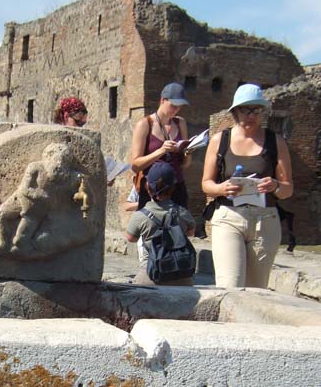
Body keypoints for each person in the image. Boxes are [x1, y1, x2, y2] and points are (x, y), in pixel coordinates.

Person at [201, 83, 293, 288]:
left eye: (256, 110)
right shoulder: (220, 140)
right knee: (229, 285)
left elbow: (287, 190)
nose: (251, 115)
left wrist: (275, 185)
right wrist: (222, 188)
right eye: (245, 110)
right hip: (229, 217)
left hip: (264, 220)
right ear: (235, 111)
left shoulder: (275, 141)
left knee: (256, 290)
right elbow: (206, 184)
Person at [124, 161, 196, 286]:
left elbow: (131, 238)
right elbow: (190, 232)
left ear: (147, 187)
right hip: (181, 276)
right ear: (173, 188)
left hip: (150, 274)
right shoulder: (183, 213)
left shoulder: (140, 216)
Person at [129, 82, 191, 210]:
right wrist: (161, 151)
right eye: (173, 105)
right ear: (163, 100)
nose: (176, 110)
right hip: (153, 189)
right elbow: (135, 166)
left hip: (176, 187)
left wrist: (188, 151)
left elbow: (185, 165)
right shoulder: (144, 125)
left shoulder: (180, 123)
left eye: (179, 107)